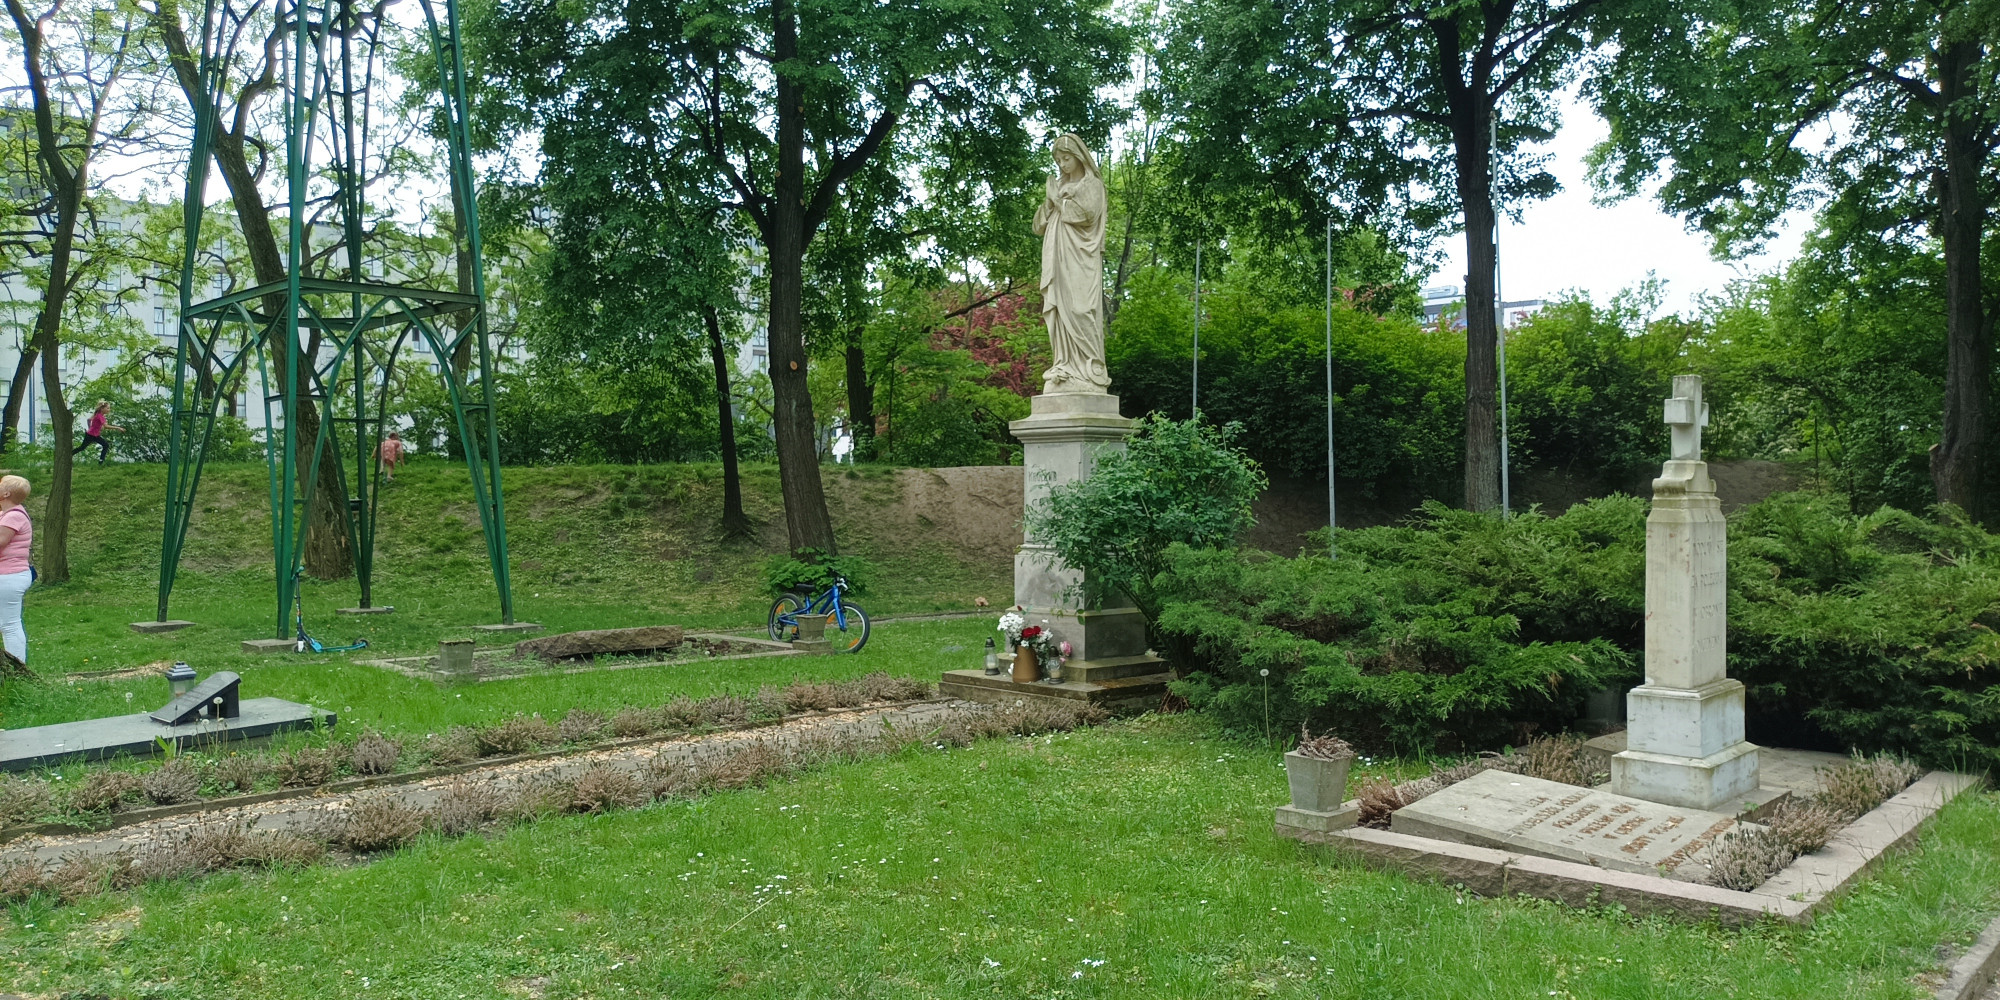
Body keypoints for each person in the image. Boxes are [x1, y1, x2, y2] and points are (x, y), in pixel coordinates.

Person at [1031, 133, 1111, 394]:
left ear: (1078, 156)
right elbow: (1038, 226)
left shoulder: (1092, 184)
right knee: (1059, 310)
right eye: (1058, 160)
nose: (1062, 164)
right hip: (1057, 256)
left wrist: (1058, 200)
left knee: (1079, 308)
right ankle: (1064, 364)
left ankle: (1090, 369)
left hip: (1080, 256)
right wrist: (1049, 201)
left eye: (1066, 158)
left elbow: (1086, 215)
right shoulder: (1058, 187)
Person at [0, 476, 33, 665]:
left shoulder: (14, 516)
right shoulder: (6, 514)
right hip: (8, 575)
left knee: (10, 624)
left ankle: (18, 668)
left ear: (6, 493)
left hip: (9, 576)